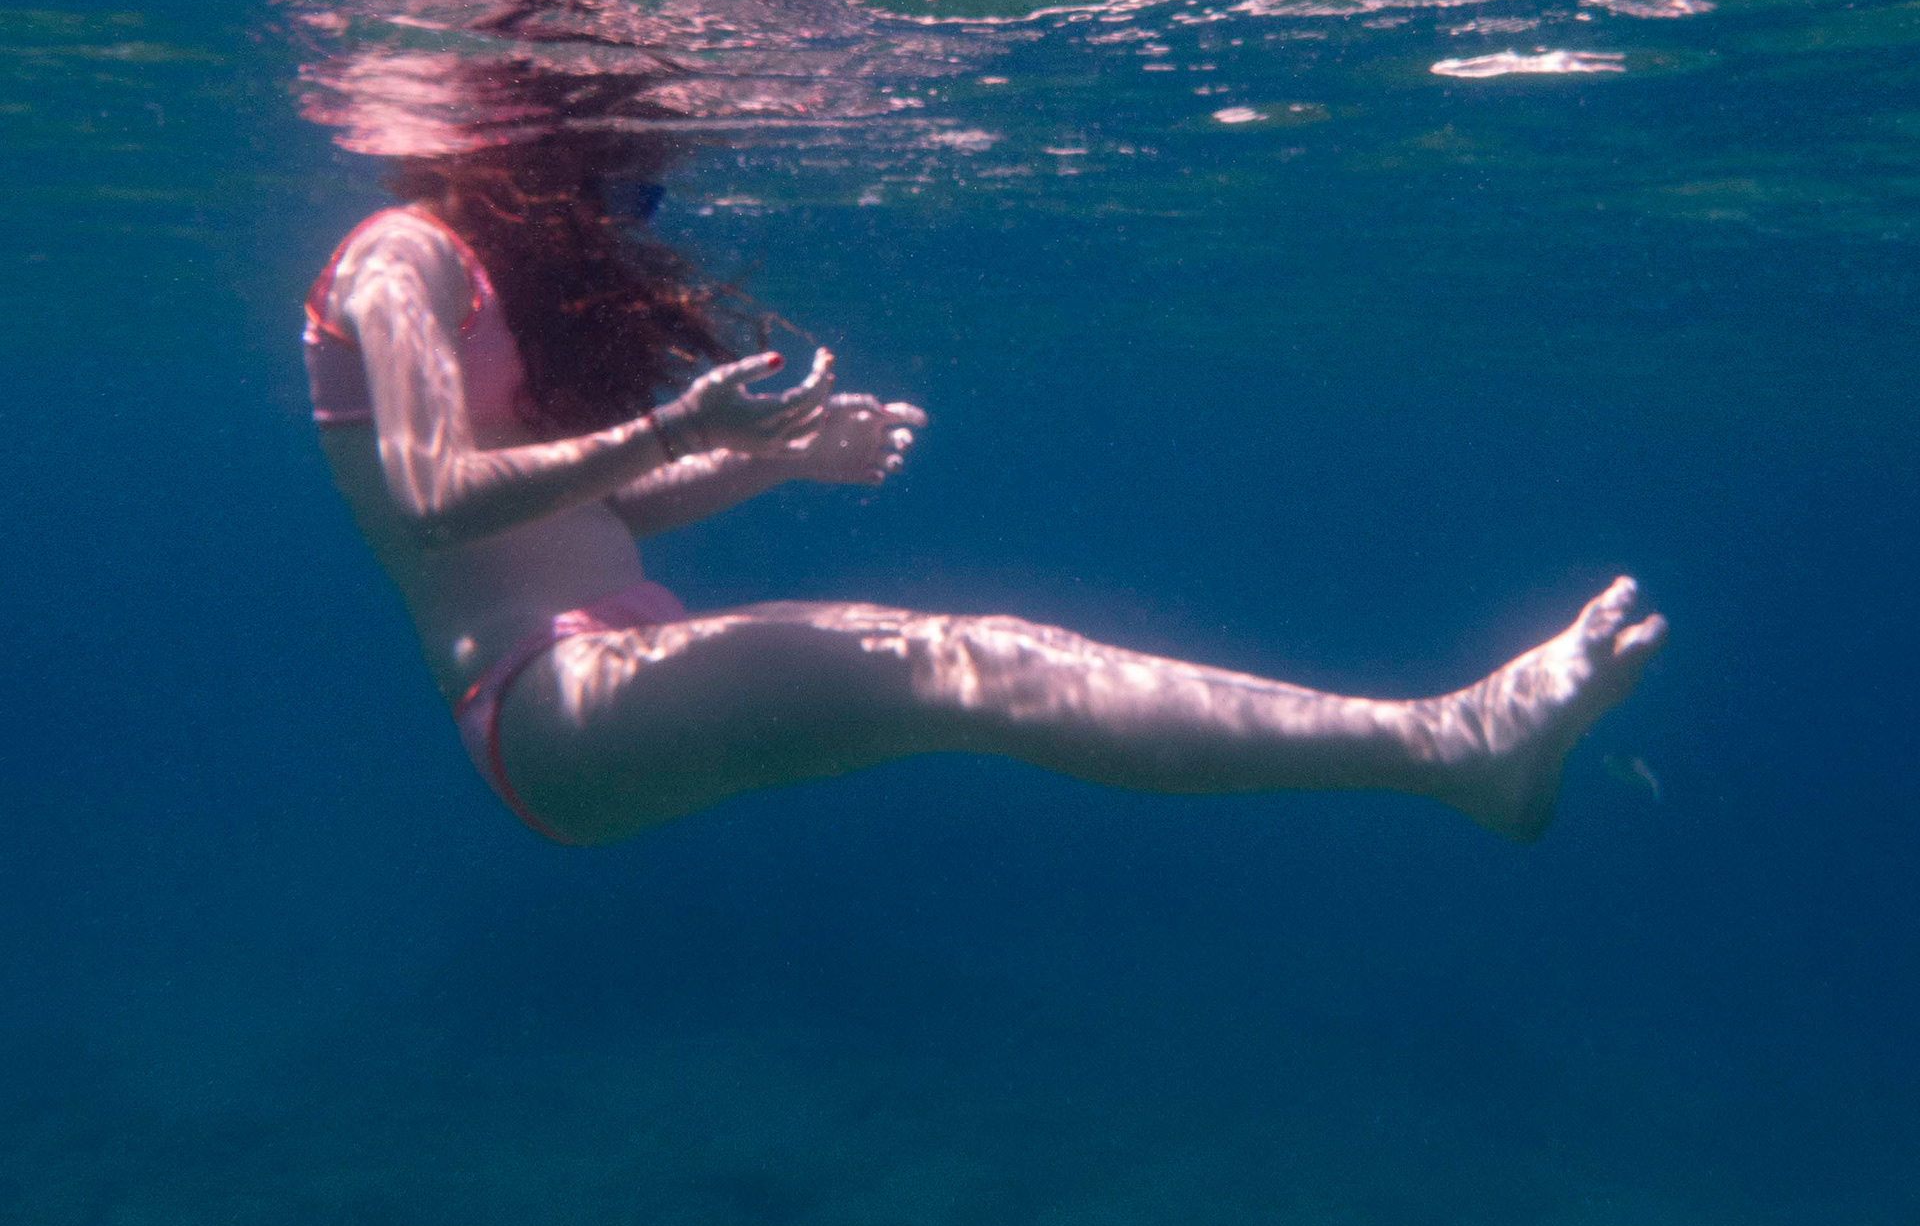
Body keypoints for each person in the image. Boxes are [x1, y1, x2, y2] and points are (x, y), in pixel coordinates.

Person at [304, 60, 1667, 850]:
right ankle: (1446, 747)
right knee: (972, 664)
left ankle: (1449, 745)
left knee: (977, 662)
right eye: (626, 186)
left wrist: (768, 460)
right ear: (543, 156)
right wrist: (682, 427)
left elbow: (589, 514)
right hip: (540, 705)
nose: (628, 219)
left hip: (604, 662)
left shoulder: (491, 277)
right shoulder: (398, 261)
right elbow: (434, 503)